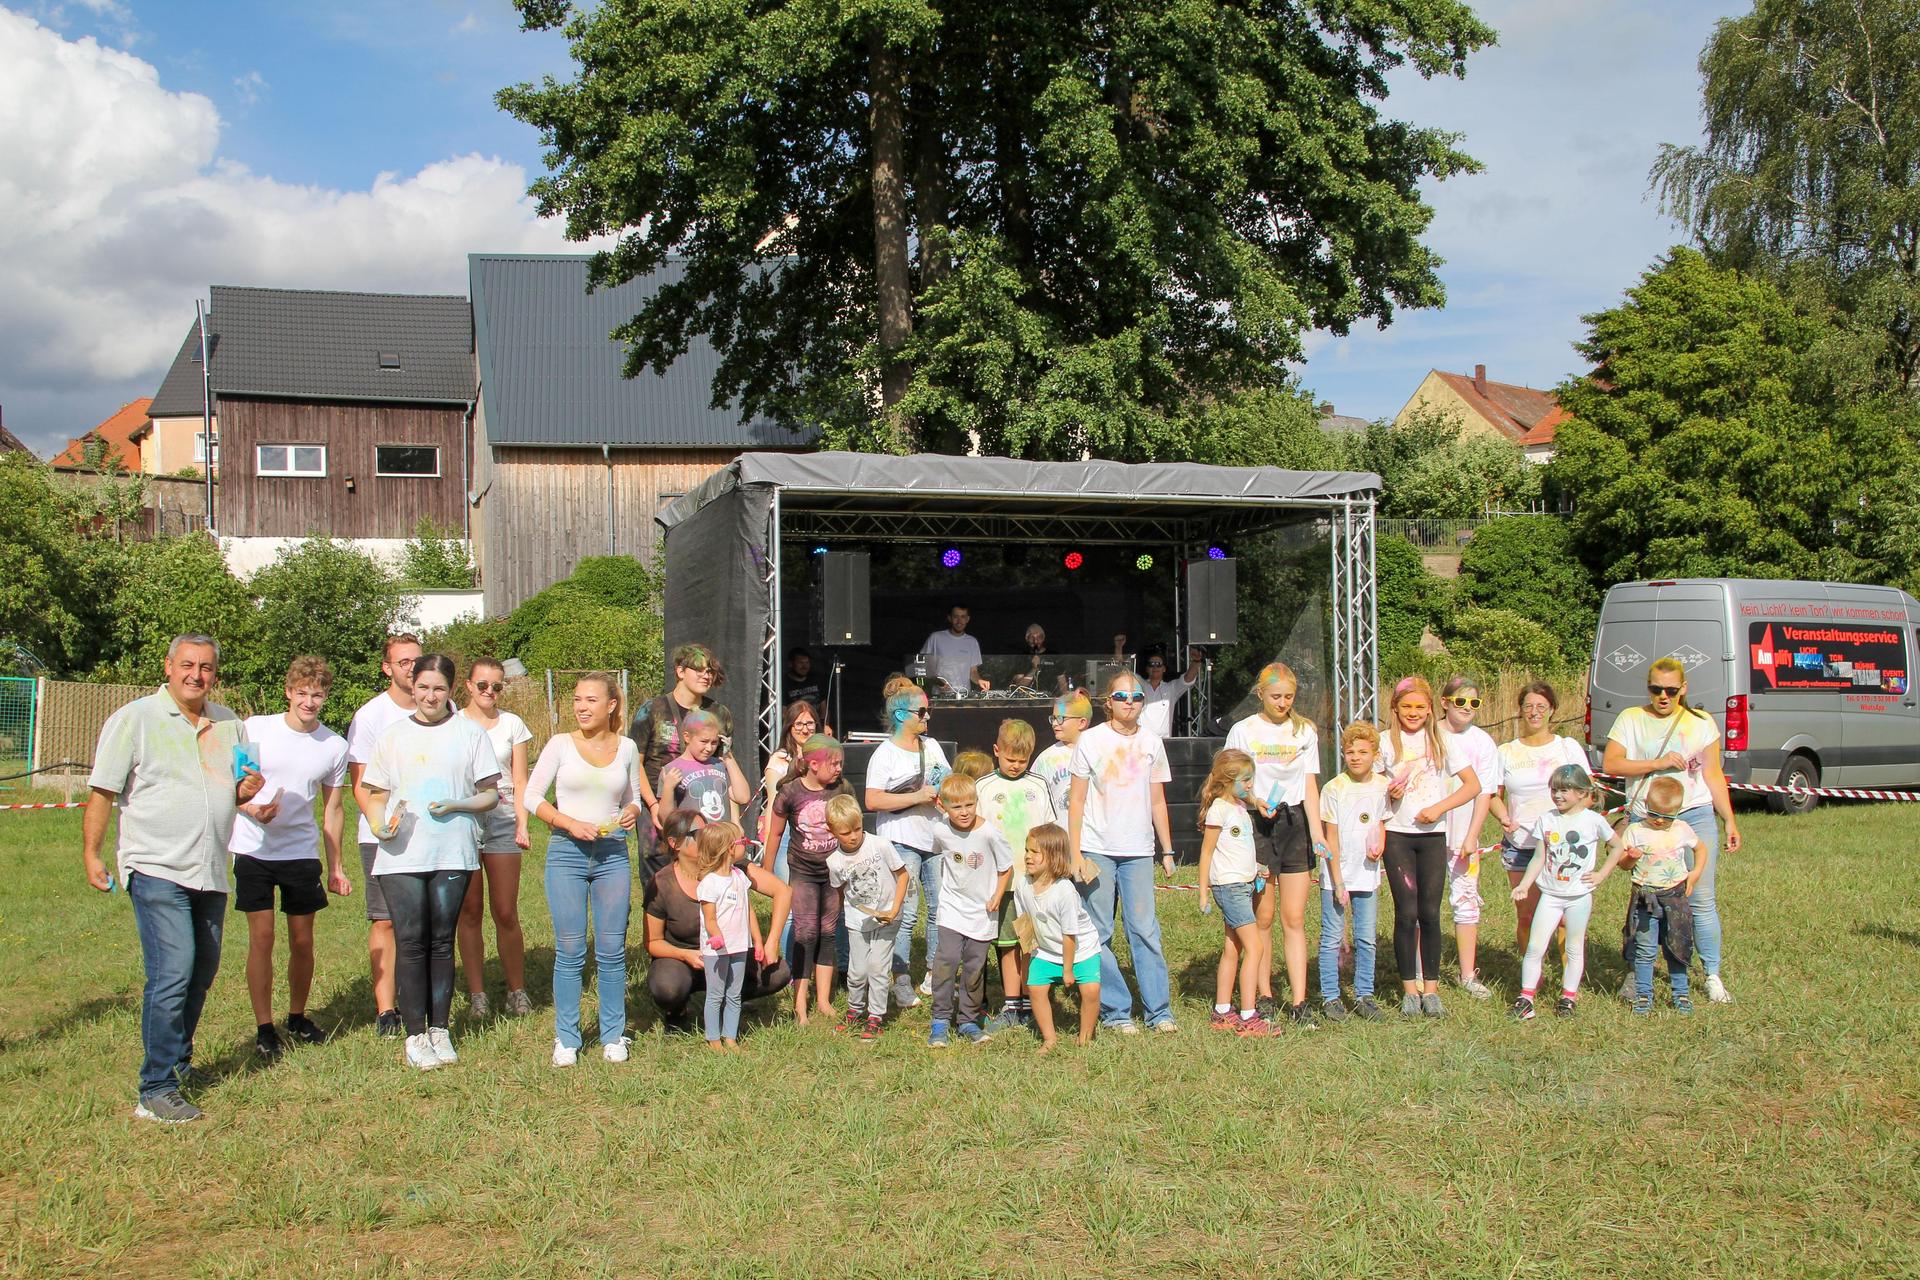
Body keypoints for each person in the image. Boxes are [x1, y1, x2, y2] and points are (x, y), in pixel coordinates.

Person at [84, 633, 264, 1123]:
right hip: (155, 865)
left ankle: (178, 1063)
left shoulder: (230, 725)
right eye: (187, 664)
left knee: (201, 972)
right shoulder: (134, 719)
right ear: (168, 666)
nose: (196, 675)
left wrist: (250, 791)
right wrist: (92, 853)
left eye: (206, 667)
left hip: (210, 870)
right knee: (173, 971)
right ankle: (155, 1087)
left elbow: (240, 790)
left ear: (215, 674)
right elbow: (103, 791)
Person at [356, 653, 500, 1072]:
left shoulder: (470, 734)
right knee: (412, 939)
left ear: (451, 690)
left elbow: (490, 794)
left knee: (441, 940)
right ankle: (414, 1034)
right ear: (411, 687)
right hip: (401, 855)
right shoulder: (392, 736)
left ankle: (440, 1028)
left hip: (452, 850)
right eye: (422, 687)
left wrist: (458, 804)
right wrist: (377, 823)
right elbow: (374, 793)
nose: (430, 695)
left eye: (438, 688)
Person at [230, 655, 351, 1059]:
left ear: (326, 696)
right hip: (253, 849)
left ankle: (297, 1017)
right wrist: (251, 810)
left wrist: (336, 866)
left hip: (300, 853)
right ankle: (265, 1027)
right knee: (262, 938)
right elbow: (232, 787)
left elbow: (333, 810)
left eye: (317, 694)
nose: (310, 701)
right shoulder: (255, 728)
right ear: (288, 692)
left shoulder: (334, 746)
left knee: (302, 941)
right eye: (302, 693)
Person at [1602, 655, 1741, 1004]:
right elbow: (1611, 763)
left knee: (1700, 896)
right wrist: (1659, 763)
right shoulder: (1630, 719)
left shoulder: (1701, 722)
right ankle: (1637, 974)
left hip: (1693, 815)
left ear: (1684, 689)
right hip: (1645, 819)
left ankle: (1711, 974)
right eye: (1655, 689)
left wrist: (1729, 820)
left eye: (1671, 690)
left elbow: (1712, 775)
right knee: (1644, 899)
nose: (1663, 696)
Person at [523, 672, 642, 1067]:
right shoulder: (560, 745)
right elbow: (531, 796)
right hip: (566, 853)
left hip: (611, 854)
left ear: (611, 705)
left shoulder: (627, 748)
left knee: (611, 951)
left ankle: (613, 1035)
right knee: (570, 950)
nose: (581, 706)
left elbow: (634, 799)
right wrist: (568, 823)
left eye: (590, 700)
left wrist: (630, 812)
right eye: (577, 699)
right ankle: (567, 1038)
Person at [1068, 669, 1177, 1034]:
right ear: (1108, 703)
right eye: (1121, 697)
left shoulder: (1152, 742)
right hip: (1096, 849)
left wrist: (1167, 850)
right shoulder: (1090, 741)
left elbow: (1158, 802)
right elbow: (1077, 802)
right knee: (1098, 932)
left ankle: (1159, 1012)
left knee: (1144, 930)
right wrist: (1074, 852)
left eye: (1136, 697)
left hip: (1139, 851)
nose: (1129, 703)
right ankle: (1115, 1011)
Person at [1223, 661, 1328, 1026]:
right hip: (1258, 824)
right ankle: (1264, 994)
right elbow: (1229, 780)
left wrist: (1317, 832)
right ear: (1260, 695)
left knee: (1294, 916)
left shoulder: (1305, 732)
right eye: (1275, 696)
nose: (1283, 703)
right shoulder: (1243, 730)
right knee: (1263, 916)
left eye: (1289, 696)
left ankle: (1300, 1000)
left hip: (1294, 822)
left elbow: (1310, 785)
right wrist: (1254, 802)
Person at [1379, 675, 1482, 1018]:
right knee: (1406, 914)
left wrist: (1439, 808)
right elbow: (1369, 787)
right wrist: (1387, 794)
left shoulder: (1439, 741)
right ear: (1395, 708)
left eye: (1420, 707)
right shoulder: (1383, 743)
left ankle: (1432, 990)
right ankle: (1410, 988)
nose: (1413, 713)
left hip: (1433, 837)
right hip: (1397, 836)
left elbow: (1473, 786)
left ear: (1429, 710)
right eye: (1406, 706)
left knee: (1431, 913)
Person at [644, 811, 793, 1029]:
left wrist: (771, 942)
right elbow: (652, 943)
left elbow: (784, 892)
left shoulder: (730, 866)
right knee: (668, 987)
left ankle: (729, 1001)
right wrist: (685, 955)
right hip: (685, 960)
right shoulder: (662, 883)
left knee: (779, 972)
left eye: (708, 830)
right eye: (697, 834)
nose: (707, 837)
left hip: (730, 954)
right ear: (674, 843)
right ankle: (677, 1009)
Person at [346, 632, 421, 1036]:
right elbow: (360, 783)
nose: (411, 667)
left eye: (416, 660)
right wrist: (380, 825)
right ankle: (386, 1010)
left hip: (427, 833)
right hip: (380, 835)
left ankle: (420, 999)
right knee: (386, 921)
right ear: (387, 668)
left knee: (422, 921)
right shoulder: (371, 716)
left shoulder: (444, 707)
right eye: (403, 661)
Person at [863, 683, 951, 1009]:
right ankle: (899, 979)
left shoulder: (933, 747)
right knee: (905, 913)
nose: (927, 717)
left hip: (936, 839)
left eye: (928, 710)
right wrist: (916, 796)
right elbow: (872, 799)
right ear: (901, 715)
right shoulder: (884, 754)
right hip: (902, 840)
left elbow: (946, 782)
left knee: (941, 909)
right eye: (922, 711)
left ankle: (934, 973)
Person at [1509, 765, 1621, 1020]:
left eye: (1564, 790)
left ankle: (1568, 998)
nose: (1557, 795)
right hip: (1550, 896)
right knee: (1535, 947)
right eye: (1554, 790)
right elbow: (1539, 857)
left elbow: (1617, 846)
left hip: (1579, 897)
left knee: (1573, 948)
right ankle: (1526, 999)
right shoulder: (1547, 819)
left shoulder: (1594, 821)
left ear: (1582, 793)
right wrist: (1525, 884)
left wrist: (1601, 874)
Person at [456, 657, 534, 1020]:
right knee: (468, 911)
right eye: (483, 685)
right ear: (468, 686)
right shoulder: (452, 723)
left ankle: (516, 991)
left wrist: (522, 822)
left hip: (502, 819)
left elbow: (520, 779)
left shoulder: (512, 725)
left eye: (497, 686)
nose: (490, 692)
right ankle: (477, 994)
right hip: (464, 820)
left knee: (505, 910)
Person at [1489, 682, 1588, 954]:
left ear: (1552, 710)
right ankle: (1531, 975)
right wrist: (1504, 817)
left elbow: (1589, 793)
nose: (1534, 712)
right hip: (1521, 846)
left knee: (1566, 920)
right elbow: (1492, 796)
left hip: (1563, 846)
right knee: (1527, 917)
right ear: (1520, 711)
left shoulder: (1567, 748)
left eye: (1541, 707)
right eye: (1528, 706)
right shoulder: (1506, 751)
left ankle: (1569, 982)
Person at [1594, 776, 1706, 1015]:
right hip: (1646, 897)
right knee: (1644, 949)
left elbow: (1701, 848)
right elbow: (1622, 864)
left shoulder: (1682, 829)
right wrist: (1631, 857)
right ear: (1646, 804)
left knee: (1677, 945)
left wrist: (1695, 874)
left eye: (1667, 817)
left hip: (1675, 897)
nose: (1659, 820)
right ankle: (1644, 995)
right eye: (1654, 813)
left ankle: (1681, 993)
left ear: (1678, 811)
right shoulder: (1635, 831)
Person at [976, 719, 1057, 1031]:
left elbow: (1050, 830)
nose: (1016, 766)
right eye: (1010, 759)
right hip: (1001, 884)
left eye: (1023, 760)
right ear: (996, 751)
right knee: (1008, 944)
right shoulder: (984, 787)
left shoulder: (1037, 785)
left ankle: (1033, 1003)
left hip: (1033, 883)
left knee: (1031, 944)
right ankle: (1012, 1007)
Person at [764, 734, 851, 1025]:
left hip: (832, 873)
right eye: (833, 763)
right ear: (813, 764)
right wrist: (766, 871)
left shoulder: (842, 788)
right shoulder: (790, 793)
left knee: (828, 931)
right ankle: (800, 1001)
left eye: (840, 763)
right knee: (805, 933)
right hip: (802, 871)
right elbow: (774, 833)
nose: (838, 769)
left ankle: (824, 1000)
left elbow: (852, 828)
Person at [925, 773, 1015, 1047]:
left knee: (975, 967)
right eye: (956, 807)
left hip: (982, 912)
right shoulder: (940, 831)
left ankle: (968, 1020)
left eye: (969, 805)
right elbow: (940, 854)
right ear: (944, 805)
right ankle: (940, 1020)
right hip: (952, 909)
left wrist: (997, 897)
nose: (963, 812)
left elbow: (1006, 867)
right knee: (947, 961)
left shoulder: (989, 833)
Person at [1318, 722, 1389, 1022]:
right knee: (1332, 937)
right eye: (1350, 752)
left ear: (1375, 754)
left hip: (1368, 874)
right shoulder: (1333, 788)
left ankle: (1364, 995)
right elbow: (1330, 837)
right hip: (1336, 875)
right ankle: (1330, 997)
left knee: (1366, 937)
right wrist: (1336, 880)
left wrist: (1380, 846)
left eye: (1363, 751)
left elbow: (1382, 822)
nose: (1356, 757)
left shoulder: (1383, 786)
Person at [1195, 749, 1269, 1037]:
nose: (1250, 785)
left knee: (1232, 948)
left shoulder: (1238, 806)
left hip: (1243, 883)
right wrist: (1203, 892)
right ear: (1227, 780)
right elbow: (1207, 853)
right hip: (1231, 888)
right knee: (1256, 948)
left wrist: (1256, 867)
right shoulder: (1219, 810)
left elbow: (1236, 850)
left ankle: (1223, 1011)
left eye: (1251, 779)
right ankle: (1249, 1015)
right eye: (1245, 779)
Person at [824, 793, 909, 1040]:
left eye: (857, 829)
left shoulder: (880, 845)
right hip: (857, 920)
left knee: (877, 967)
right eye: (845, 833)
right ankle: (854, 1009)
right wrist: (836, 916)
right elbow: (840, 891)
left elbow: (903, 875)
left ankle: (875, 1016)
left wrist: (894, 909)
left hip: (887, 917)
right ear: (832, 831)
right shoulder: (835, 861)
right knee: (858, 970)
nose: (853, 837)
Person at [629, 644, 733, 844]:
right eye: (699, 670)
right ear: (680, 671)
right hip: (657, 807)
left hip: (703, 810)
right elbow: (635, 763)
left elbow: (724, 766)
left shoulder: (719, 714)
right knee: (660, 872)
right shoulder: (652, 709)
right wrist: (653, 805)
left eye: (710, 671)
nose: (706, 676)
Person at [1437, 675, 1501, 999]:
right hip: (1429, 833)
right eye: (1460, 701)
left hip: (1463, 837)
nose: (1467, 708)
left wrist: (1473, 835)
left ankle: (1467, 974)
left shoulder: (1483, 743)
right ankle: (1422, 973)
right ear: (1445, 702)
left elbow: (1484, 793)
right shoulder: (1429, 735)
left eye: (1474, 703)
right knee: (1425, 904)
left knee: (1465, 902)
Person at [1016, 823, 1102, 1052]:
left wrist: (1067, 970)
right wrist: (1027, 960)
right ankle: (1049, 1038)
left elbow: (1069, 934)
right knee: (1035, 989)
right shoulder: (1022, 886)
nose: (1027, 857)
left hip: (1081, 950)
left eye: (1035, 852)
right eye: (1027, 850)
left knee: (1090, 991)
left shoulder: (1064, 891)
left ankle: (1085, 1038)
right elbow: (1024, 924)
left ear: (1053, 857)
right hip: (1045, 950)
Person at [694, 820, 767, 1051]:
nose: (746, 844)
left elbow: (749, 910)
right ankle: (713, 1038)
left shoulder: (739, 876)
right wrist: (716, 937)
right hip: (717, 950)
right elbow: (710, 918)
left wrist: (757, 940)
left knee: (735, 994)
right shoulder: (709, 884)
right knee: (716, 994)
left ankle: (730, 1036)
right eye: (742, 841)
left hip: (739, 946)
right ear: (729, 848)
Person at [757, 699, 822, 959]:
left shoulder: (824, 756)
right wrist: (768, 855)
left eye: (810, 723)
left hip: (816, 839)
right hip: (786, 838)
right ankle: (786, 964)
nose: (805, 729)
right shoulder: (779, 761)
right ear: (789, 728)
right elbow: (774, 803)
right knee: (790, 904)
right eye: (799, 724)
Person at [659, 708, 751, 824]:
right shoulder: (672, 769)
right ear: (687, 737)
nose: (709, 748)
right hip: (693, 839)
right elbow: (665, 819)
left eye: (714, 742)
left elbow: (743, 797)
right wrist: (668, 788)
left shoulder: (720, 765)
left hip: (722, 838)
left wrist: (729, 758)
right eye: (704, 741)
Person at [1032, 692, 1089, 818]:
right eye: (1053, 718)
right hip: (1059, 834)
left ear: (1082, 723)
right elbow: (1035, 799)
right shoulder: (1046, 758)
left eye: (1060, 718)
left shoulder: (1097, 753)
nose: (1054, 723)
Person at [921, 604, 989, 693]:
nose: (959, 621)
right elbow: (922, 666)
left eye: (963, 617)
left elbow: (973, 671)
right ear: (950, 618)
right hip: (939, 696)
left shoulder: (972, 642)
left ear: (967, 619)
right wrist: (937, 682)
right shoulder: (935, 638)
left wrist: (979, 680)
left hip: (964, 695)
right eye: (956, 617)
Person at [1139, 645, 1205, 738]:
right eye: (1151, 664)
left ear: (1164, 669)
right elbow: (1121, 670)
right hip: (1141, 740)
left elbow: (1187, 679)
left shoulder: (1171, 688)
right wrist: (1119, 648)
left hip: (1164, 742)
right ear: (1147, 668)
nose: (1155, 667)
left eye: (1158, 664)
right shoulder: (1139, 684)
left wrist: (1196, 661)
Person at [1007, 623, 1065, 696]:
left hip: (1050, 700)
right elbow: (1018, 687)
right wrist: (1034, 669)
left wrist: (1065, 701)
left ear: (1043, 638)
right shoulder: (1022, 657)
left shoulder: (1054, 656)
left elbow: (1062, 683)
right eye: (1032, 638)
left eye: (1039, 637)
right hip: (1028, 701)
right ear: (1027, 639)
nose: (1036, 641)